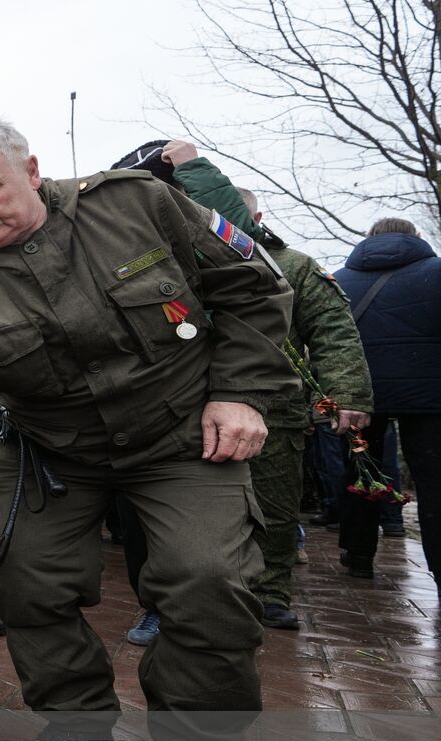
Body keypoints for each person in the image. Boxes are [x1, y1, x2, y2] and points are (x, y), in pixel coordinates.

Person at [0, 115, 295, 741]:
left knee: (209, 579)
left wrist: (239, 392)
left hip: (181, 437)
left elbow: (254, 289)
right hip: (53, 456)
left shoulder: (135, 205)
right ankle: (77, 732)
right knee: (23, 583)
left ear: (31, 172)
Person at [113, 142, 373, 635]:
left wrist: (349, 395)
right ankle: (169, 603)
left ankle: (270, 592)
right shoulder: (169, 262)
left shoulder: (292, 265)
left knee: (274, 505)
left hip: (274, 407)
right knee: (182, 515)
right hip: (188, 409)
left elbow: (333, 331)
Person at [335, 217, 441, 581]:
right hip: (429, 398)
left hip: (359, 394)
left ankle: (358, 555)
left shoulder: (339, 279)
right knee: (434, 484)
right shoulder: (436, 272)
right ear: (417, 237)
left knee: (360, 473)